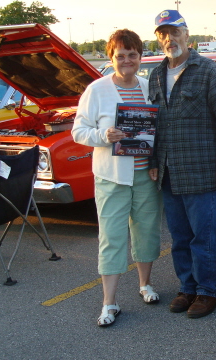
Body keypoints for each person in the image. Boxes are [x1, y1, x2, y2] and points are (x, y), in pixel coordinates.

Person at [148, 9, 216, 319]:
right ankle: (187, 287)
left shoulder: (208, 71)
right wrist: (152, 161)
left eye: (174, 31)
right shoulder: (157, 74)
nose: (168, 38)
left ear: (187, 34)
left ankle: (209, 291)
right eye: (162, 33)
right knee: (179, 238)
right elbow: (153, 126)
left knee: (202, 237)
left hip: (203, 174)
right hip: (169, 173)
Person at [72, 29, 163, 327]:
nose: (127, 60)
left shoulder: (150, 87)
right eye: (120, 55)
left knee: (147, 232)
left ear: (140, 57)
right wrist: (103, 135)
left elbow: (157, 132)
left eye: (132, 55)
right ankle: (109, 303)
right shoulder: (97, 90)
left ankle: (145, 285)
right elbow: (78, 131)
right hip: (112, 177)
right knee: (111, 238)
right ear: (111, 57)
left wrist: (154, 161)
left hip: (145, 175)